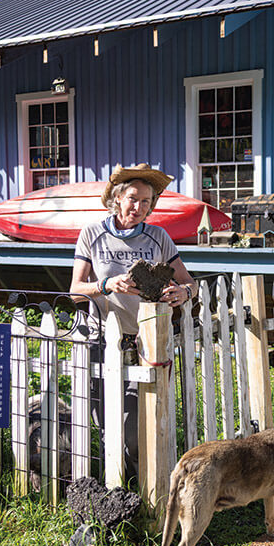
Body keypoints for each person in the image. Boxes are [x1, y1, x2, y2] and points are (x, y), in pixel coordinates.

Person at [69, 163, 197, 480]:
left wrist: (183, 293)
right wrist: (106, 284)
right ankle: (115, 486)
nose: (138, 207)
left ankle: (144, 487)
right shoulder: (92, 234)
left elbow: (189, 282)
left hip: (144, 342)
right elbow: (75, 291)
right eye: (132, 199)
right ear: (117, 198)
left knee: (135, 431)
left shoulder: (158, 237)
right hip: (102, 341)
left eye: (145, 201)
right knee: (103, 422)